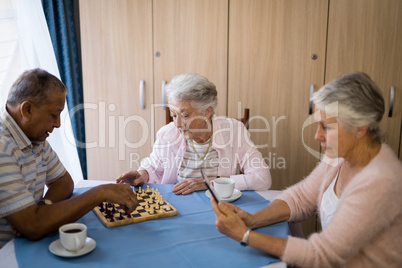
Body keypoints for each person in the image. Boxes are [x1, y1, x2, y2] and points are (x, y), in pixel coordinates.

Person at [211, 72, 402, 267]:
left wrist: (244, 235)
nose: (317, 136)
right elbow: (301, 198)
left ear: (360, 127)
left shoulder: (381, 180)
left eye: (326, 127)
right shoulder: (339, 155)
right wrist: (252, 219)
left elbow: (321, 255)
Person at [0, 69, 138, 248]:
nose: (57, 124)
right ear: (27, 109)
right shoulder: (3, 147)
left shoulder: (32, 137)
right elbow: (33, 227)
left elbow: (63, 181)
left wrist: (43, 207)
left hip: (26, 244)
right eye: (53, 115)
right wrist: (99, 193)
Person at [117, 73, 271, 195]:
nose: (177, 124)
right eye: (173, 115)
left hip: (219, 207)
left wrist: (210, 182)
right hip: (177, 207)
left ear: (207, 111)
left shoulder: (234, 131)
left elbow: (262, 179)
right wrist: (142, 174)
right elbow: (154, 165)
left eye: (185, 116)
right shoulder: (167, 134)